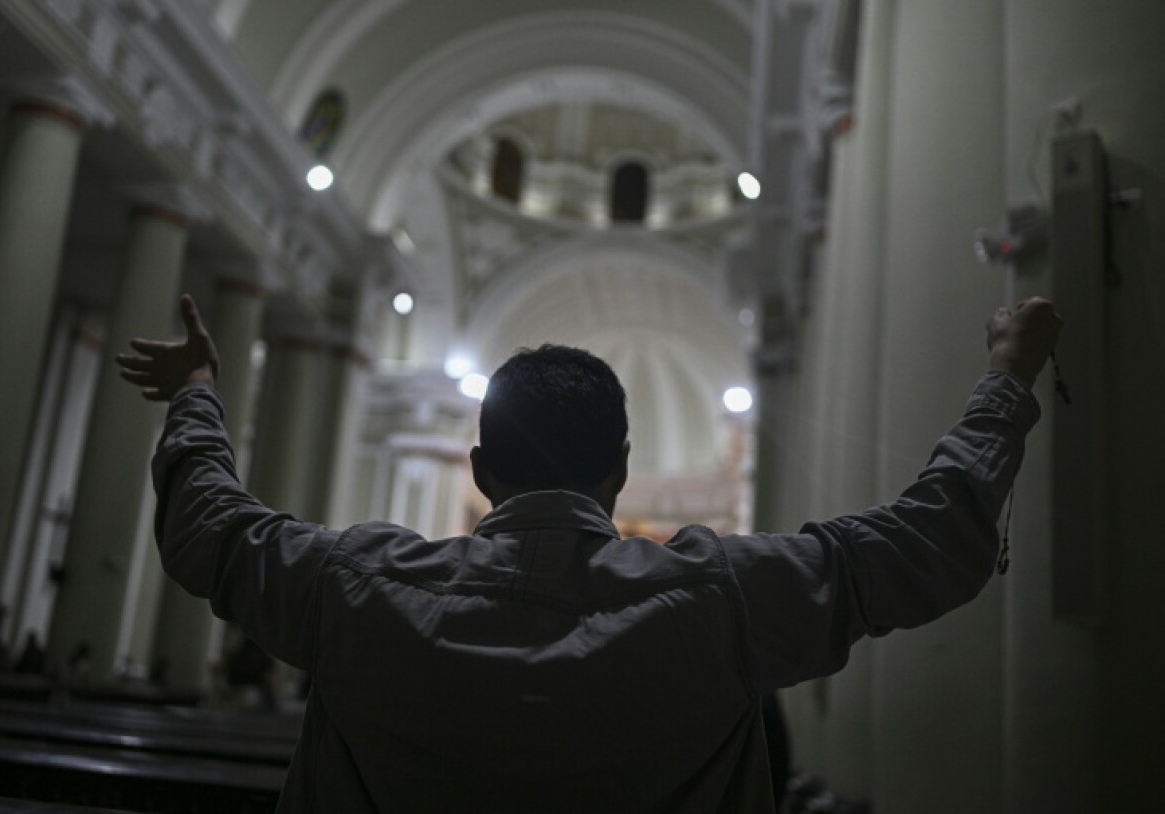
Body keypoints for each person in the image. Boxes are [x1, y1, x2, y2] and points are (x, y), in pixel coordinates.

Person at [116, 294, 1061, 813]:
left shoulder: (354, 584)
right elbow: (932, 539)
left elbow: (208, 523)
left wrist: (200, 388)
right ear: (621, 473)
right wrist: (1008, 373)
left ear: (480, 469)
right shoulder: (721, 597)